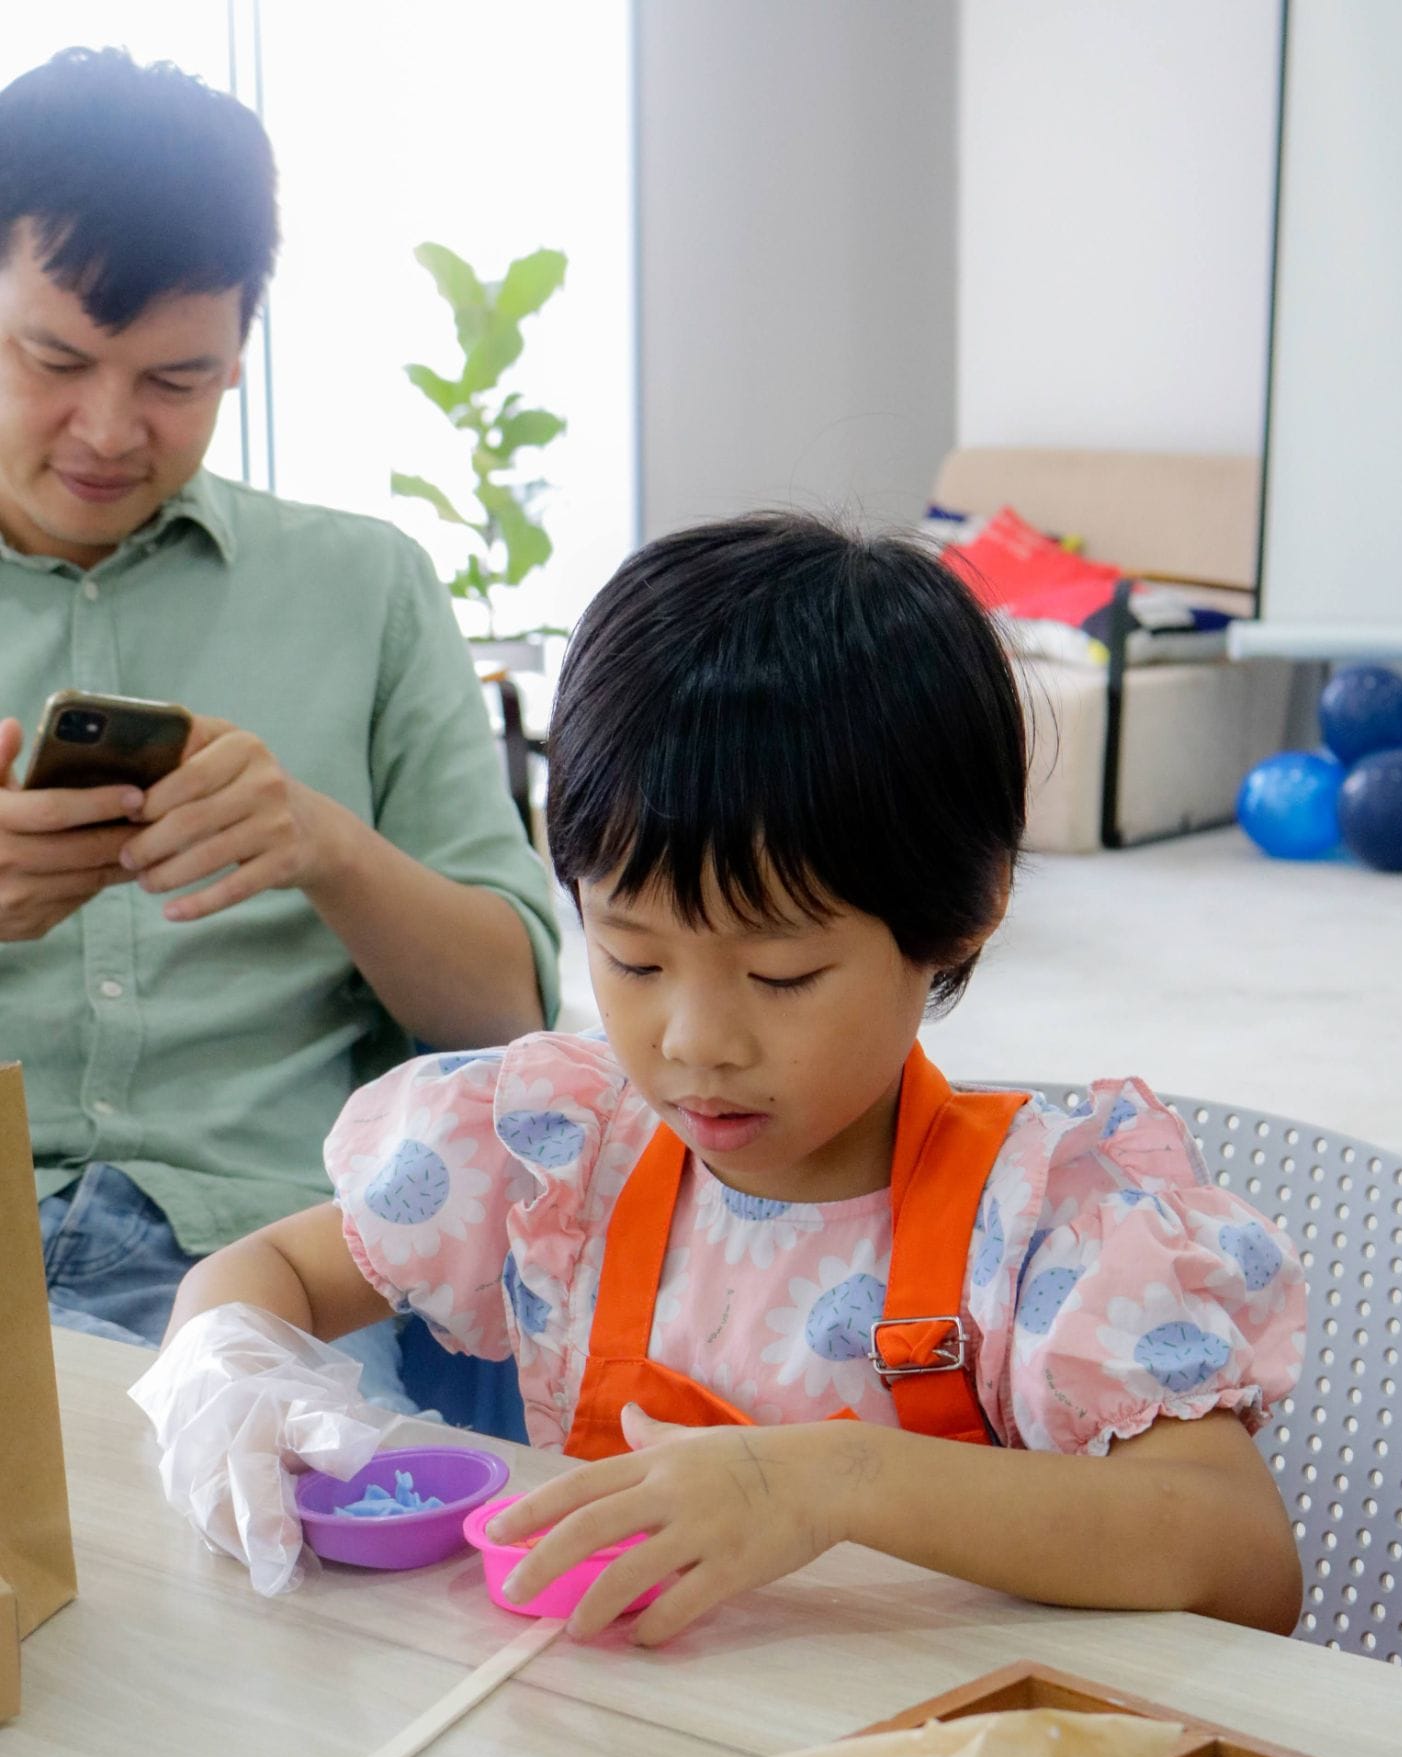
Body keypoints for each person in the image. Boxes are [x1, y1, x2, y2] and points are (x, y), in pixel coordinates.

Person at [166, 515, 1306, 1640]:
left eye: (782, 971)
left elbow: (1239, 1555)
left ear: (968, 910)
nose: (694, 1040)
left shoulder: (1044, 1231)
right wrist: (230, 1368)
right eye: (634, 957)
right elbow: (267, 1269)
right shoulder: (565, 1156)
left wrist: (832, 1480)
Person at [0, 49, 560, 1396]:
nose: (108, 430)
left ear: (244, 344)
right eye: (53, 358)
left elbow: (512, 1018)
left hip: (273, 1260)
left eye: (179, 379)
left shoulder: (365, 583)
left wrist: (325, 845)